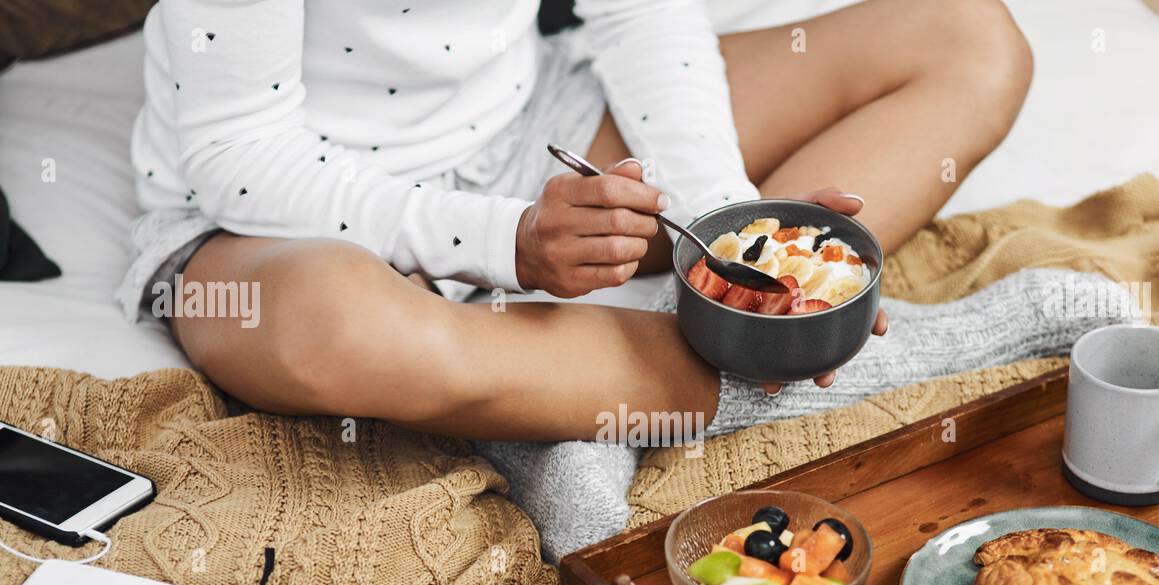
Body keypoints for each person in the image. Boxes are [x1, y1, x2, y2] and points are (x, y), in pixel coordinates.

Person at [117, 0, 1035, 442]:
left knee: (970, 41)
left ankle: (640, 357)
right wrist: (504, 240)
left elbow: (641, 16)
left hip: (536, 123)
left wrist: (724, 221)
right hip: (271, 215)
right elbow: (236, 147)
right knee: (343, 332)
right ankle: (772, 359)